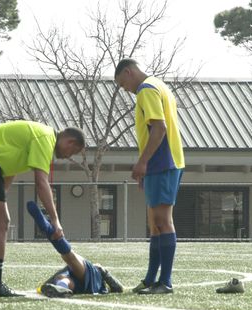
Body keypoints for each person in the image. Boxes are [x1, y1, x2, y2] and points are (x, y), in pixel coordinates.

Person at [0, 121, 85, 297]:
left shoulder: (38, 136)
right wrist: (55, 220)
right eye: (74, 152)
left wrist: (1, 196)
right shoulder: (46, 138)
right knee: (0, 222)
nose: (70, 156)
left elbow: (10, 169)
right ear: (70, 142)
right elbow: (41, 182)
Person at [114, 59, 185, 295]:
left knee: (162, 221)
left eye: (123, 84)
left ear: (129, 71)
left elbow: (159, 127)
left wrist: (143, 162)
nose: (126, 89)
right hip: (164, 162)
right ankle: (150, 279)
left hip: (163, 162)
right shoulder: (159, 85)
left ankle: (165, 282)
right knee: (155, 224)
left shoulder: (146, 89)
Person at [25, 201, 125, 297]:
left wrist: (103, 271)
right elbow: (118, 288)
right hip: (81, 287)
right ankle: (60, 287)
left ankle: (50, 231)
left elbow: (118, 287)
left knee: (70, 260)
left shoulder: (97, 273)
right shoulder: (96, 274)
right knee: (64, 275)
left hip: (89, 280)